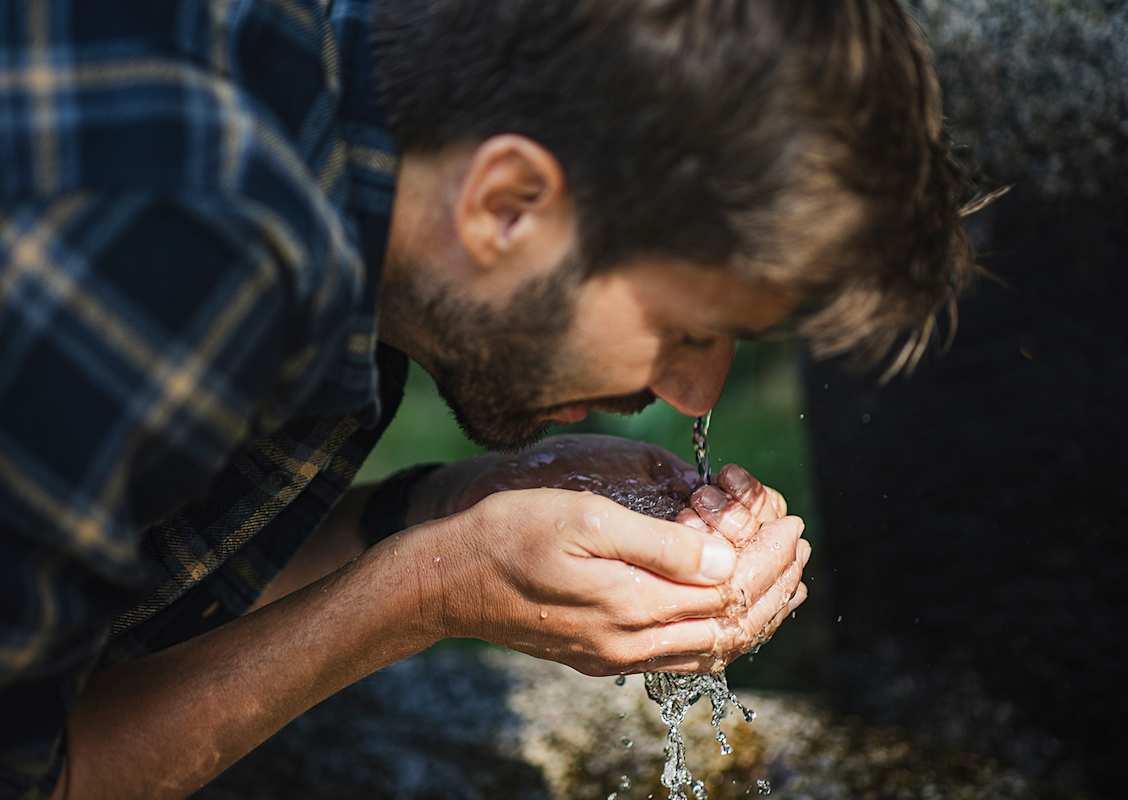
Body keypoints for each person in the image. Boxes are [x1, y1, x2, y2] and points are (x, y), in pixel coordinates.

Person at [0, 1, 984, 797]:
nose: (689, 388)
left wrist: (452, 510)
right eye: (689, 325)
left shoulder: (352, 187)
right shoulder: (181, 242)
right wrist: (425, 591)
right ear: (507, 202)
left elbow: (122, 585)